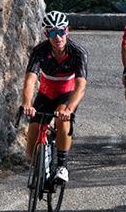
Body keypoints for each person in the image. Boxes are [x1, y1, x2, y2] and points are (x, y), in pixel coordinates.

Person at [21, 11, 88, 184]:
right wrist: (27, 104)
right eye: (52, 33)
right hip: (45, 93)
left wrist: (69, 109)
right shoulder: (40, 51)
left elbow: (80, 86)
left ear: (67, 31)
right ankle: (41, 166)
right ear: (46, 34)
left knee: (61, 118)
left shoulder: (78, 52)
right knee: (31, 146)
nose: (57, 37)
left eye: (60, 31)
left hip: (67, 94)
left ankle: (62, 165)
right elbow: (30, 80)